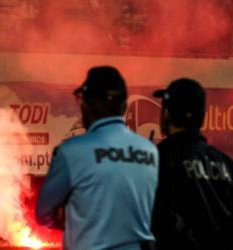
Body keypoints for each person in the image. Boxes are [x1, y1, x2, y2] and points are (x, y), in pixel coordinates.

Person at [35, 66, 158, 250]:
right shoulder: (150, 151)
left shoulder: (71, 151)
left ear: (85, 105)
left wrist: (71, 221)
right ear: (124, 106)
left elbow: (44, 213)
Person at [151, 78, 233, 249]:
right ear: (202, 117)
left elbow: (160, 224)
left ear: (166, 114)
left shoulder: (157, 160)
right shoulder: (229, 166)